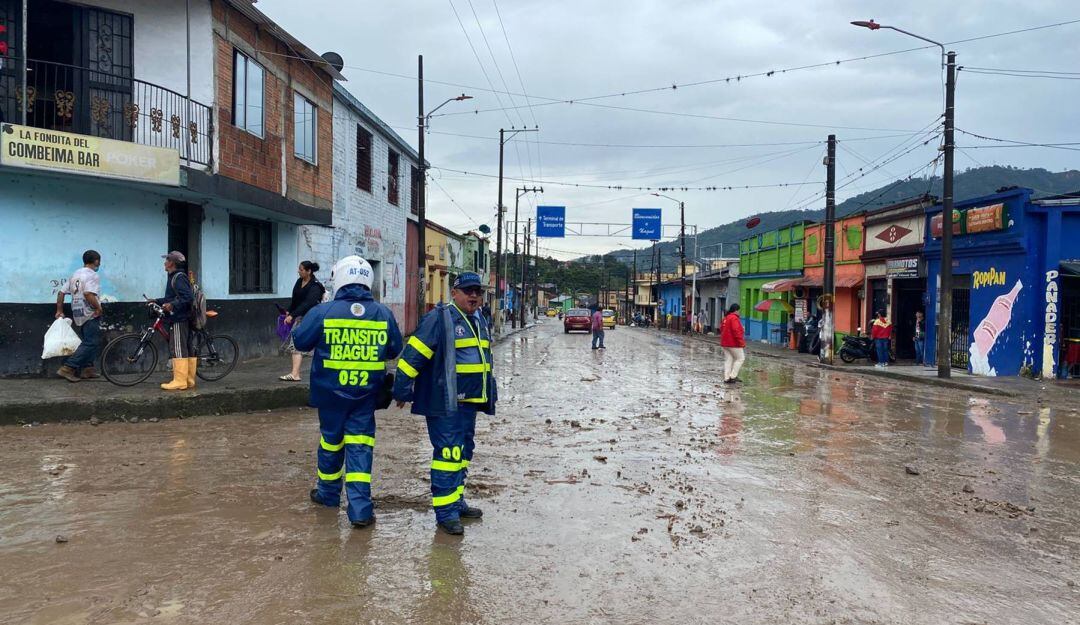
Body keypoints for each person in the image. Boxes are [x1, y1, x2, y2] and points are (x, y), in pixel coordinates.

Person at [293, 256, 403, 528]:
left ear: (339, 279)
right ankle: (361, 510)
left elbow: (301, 341)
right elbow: (394, 349)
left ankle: (328, 495)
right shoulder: (383, 313)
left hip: (330, 396)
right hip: (366, 396)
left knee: (330, 444)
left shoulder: (322, 312)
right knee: (360, 448)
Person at [393, 272, 497, 536]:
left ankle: (456, 501)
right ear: (454, 292)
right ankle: (446, 514)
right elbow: (412, 356)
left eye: (477, 291)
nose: (474, 296)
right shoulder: (439, 318)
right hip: (445, 402)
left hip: (469, 402)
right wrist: (402, 390)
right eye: (468, 291)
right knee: (448, 455)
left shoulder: (479, 319)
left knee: (463, 453)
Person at [54, 250, 104, 382]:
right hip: (90, 312)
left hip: (77, 312)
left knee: (88, 340)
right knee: (90, 343)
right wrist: (98, 307)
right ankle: (68, 368)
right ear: (96, 261)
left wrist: (59, 310)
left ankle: (87, 369)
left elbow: (61, 292)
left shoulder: (75, 275)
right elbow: (88, 293)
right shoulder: (93, 275)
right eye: (99, 261)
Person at [156, 251, 196, 391]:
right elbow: (171, 297)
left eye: (166, 260)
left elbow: (188, 297)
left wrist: (172, 305)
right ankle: (189, 380)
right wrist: (157, 301)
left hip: (179, 318)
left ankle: (180, 381)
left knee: (178, 348)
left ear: (171, 263)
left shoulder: (178, 277)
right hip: (180, 316)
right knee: (186, 347)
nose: (164, 263)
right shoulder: (174, 277)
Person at [279, 261, 325, 382]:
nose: (298, 271)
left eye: (301, 269)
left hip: (312, 318)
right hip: (300, 317)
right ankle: (295, 374)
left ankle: (297, 374)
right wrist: (289, 311)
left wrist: (293, 315)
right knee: (296, 342)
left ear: (309, 271)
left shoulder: (315, 286)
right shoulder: (299, 281)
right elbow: (295, 299)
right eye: (299, 269)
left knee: (301, 342)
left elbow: (307, 303)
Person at [719, 303, 746, 384]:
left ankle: (727, 378)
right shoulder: (734, 318)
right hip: (733, 343)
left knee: (729, 360)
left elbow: (721, 328)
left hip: (725, 342)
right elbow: (736, 331)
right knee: (740, 358)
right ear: (736, 310)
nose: (739, 312)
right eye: (739, 310)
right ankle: (733, 376)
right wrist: (741, 342)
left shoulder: (726, 318)